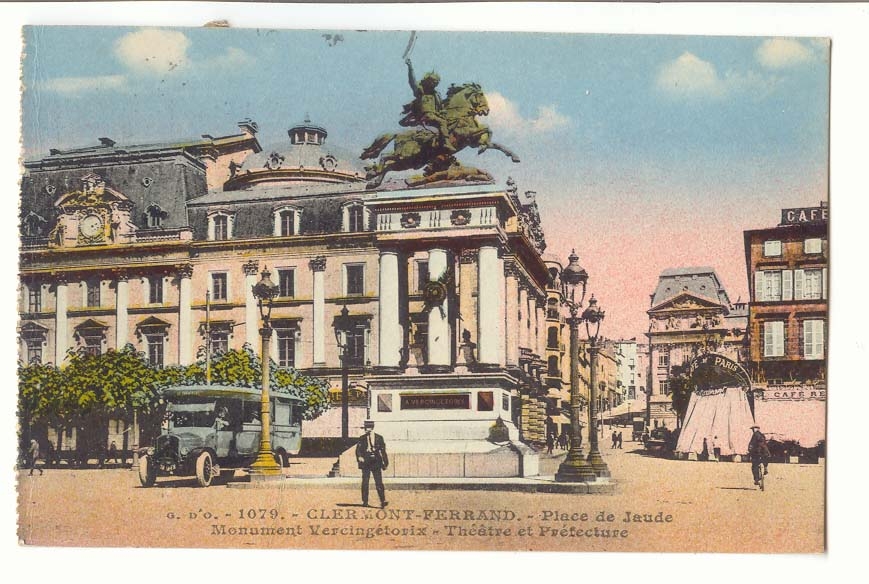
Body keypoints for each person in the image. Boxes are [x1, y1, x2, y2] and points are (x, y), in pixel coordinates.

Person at [400, 58, 454, 153]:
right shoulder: (420, 91)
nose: (435, 84)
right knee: (442, 122)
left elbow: (441, 106)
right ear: (428, 81)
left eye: (436, 83)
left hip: (434, 115)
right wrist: (410, 67)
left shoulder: (436, 95)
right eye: (433, 82)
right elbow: (412, 81)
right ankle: (446, 142)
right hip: (426, 116)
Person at [355, 420, 389, 508]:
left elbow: (383, 451)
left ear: (372, 428)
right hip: (366, 462)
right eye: (366, 428)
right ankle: (365, 501)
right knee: (365, 482)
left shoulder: (379, 438)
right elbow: (358, 450)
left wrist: (385, 462)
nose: (367, 430)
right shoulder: (362, 438)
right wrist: (359, 457)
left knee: (379, 482)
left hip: (376, 462)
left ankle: (383, 500)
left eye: (369, 428)